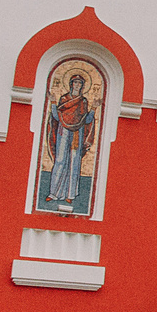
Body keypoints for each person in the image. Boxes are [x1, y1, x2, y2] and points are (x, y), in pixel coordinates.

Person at [40, 71, 95, 213]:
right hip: (63, 133)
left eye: (80, 83)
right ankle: (54, 193)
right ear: (71, 84)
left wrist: (94, 108)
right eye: (75, 82)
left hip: (77, 133)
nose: (77, 85)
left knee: (74, 162)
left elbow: (87, 120)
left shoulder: (83, 101)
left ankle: (70, 194)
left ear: (82, 86)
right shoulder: (64, 99)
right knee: (60, 160)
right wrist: (52, 101)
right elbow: (57, 116)